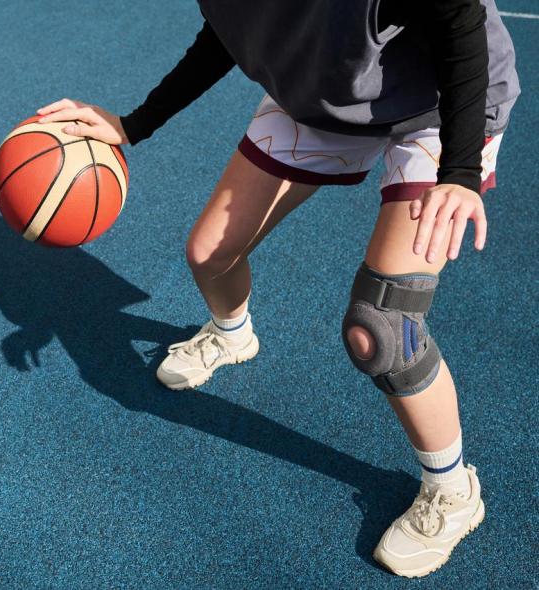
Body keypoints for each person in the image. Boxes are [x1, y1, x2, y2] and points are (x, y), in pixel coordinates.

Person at [35, 0, 519, 578]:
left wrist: (460, 173)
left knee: (382, 327)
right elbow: (232, 26)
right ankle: (231, 334)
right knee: (210, 254)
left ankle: (452, 489)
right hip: (329, 90)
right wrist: (135, 123)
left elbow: (459, 18)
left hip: (440, 102)